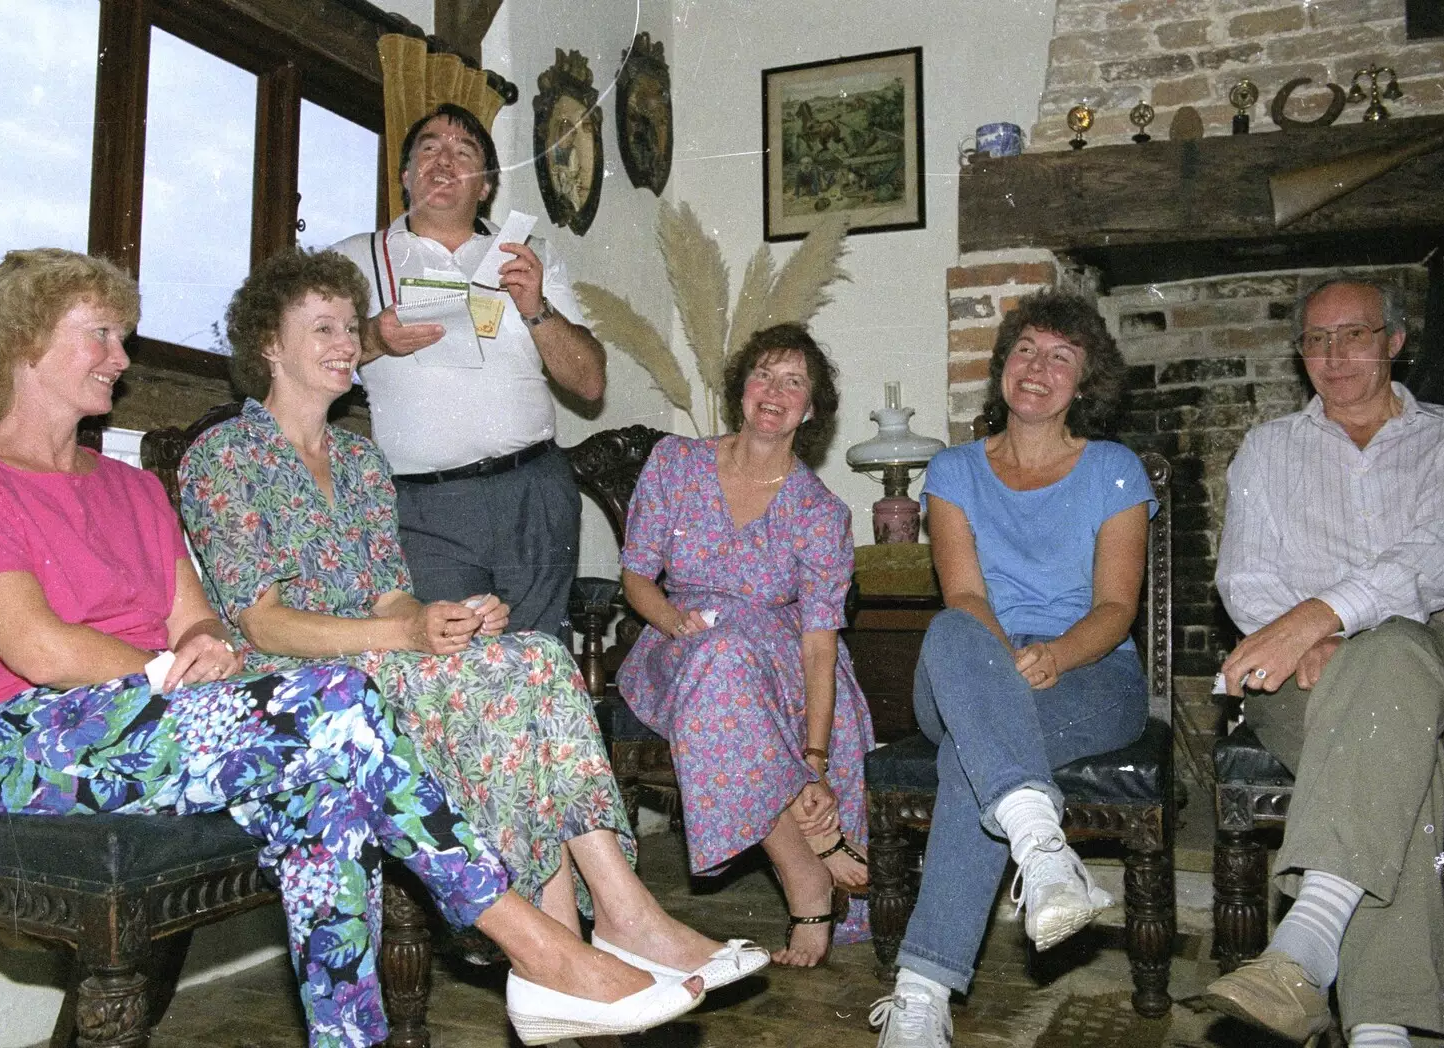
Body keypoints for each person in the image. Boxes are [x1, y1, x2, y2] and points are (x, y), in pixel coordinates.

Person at [0, 247, 705, 1048]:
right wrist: (178, 672)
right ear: (25, 344)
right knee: (342, 702)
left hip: (155, 712)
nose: (121, 356)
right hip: (22, 740)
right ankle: (543, 949)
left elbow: (197, 619)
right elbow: (40, 650)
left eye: (122, 337)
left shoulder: (132, 487)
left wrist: (202, 647)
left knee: (329, 798)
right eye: (100, 335)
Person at [179, 246, 768, 1000]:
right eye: (321, 328)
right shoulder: (225, 456)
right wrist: (404, 635)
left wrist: (443, 619)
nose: (344, 344)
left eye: (347, 328)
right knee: (500, 683)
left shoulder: (360, 461)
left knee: (532, 656)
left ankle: (618, 913)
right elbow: (261, 623)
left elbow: (393, 598)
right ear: (268, 345)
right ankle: (563, 949)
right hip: (295, 687)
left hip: (379, 660)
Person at [869, 292, 1155, 1048]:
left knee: (976, 754)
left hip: (1090, 671)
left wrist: (1055, 655)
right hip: (976, 661)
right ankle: (1044, 850)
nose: (1039, 368)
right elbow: (964, 592)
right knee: (953, 627)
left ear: (1086, 382)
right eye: (1027, 349)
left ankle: (920, 998)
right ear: (1003, 365)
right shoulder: (954, 469)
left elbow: (1117, 607)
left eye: (1061, 357)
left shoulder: (1114, 470)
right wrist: (1006, 661)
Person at [1195, 278, 1444, 1048]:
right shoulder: (1269, 449)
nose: (1333, 355)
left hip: (1428, 646)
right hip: (1298, 671)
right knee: (1407, 761)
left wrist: (1327, 617)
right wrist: (1309, 638)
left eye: (1355, 334)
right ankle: (1380, 1027)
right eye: (1315, 339)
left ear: (1395, 341)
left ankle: (1306, 946)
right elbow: (1244, 576)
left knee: (1397, 651)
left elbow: (1434, 555)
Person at [616, 323, 875, 968]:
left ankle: (807, 836)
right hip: (679, 640)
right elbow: (637, 576)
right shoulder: (676, 462)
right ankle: (808, 872)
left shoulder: (822, 513)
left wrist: (814, 758)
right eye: (764, 374)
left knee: (732, 661)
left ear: (810, 411)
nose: (775, 391)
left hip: (784, 660)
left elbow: (819, 644)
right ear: (741, 390)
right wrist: (676, 624)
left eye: (795, 383)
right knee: (718, 659)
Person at [328, 103, 605, 639]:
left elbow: (590, 383)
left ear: (485, 187)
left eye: (464, 152)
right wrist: (372, 338)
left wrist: (536, 307)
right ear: (406, 175)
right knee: (447, 663)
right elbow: (304, 358)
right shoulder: (353, 259)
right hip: (424, 507)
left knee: (540, 660)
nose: (444, 161)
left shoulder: (529, 254)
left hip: (534, 493)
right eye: (428, 148)